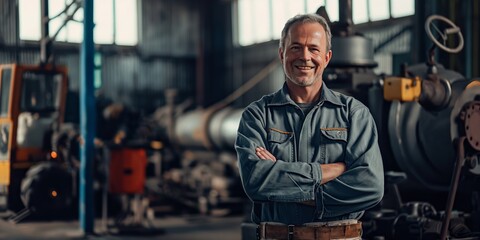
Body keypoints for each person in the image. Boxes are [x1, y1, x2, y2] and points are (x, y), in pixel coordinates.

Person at [234, 13, 384, 239]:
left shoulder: (354, 114)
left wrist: (285, 183)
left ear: (327, 57)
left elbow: (371, 186)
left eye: (313, 49)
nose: (305, 56)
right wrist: (329, 170)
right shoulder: (257, 116)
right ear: (282, 53)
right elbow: (255, 181)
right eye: (295, 47)